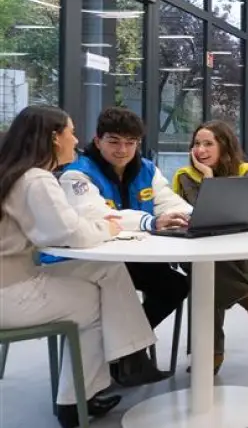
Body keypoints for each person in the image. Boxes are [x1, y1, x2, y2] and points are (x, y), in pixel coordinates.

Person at [0, 106, 159, 428]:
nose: (76, 139)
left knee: (108, 270)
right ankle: (76, 401)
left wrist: (94, 226)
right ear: (53, 138)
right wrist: (107, 229)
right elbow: (71, 233)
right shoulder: (37, 179)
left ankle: (129, 356)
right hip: (11, 292)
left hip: (14, 277)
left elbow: (64, 226)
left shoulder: (15, 174)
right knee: (92, 300)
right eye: (71, 132)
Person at [59, 108, 191, 369]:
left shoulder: (147, 170)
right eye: (114, 141)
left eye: (131, 143)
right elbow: (98, 215)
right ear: (98, 141)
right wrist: (149, 221)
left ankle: (124, 353)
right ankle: (125, 356)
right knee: (122, 288)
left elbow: (169, 202)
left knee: (175, 285)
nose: (123, 150)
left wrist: (192, 216)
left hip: (133, 258)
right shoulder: (77, 175)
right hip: (91, 263)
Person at [171, 121, 248, 374]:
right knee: (207, 266)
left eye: (208, 144)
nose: (200, 150)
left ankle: (212, 353)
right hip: (195, 251)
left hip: (239, 253)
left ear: (225, 146)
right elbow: (191, 218)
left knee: (207, 276)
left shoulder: (247, 173)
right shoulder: (185, 177)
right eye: (197, 144)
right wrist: (207, 178)